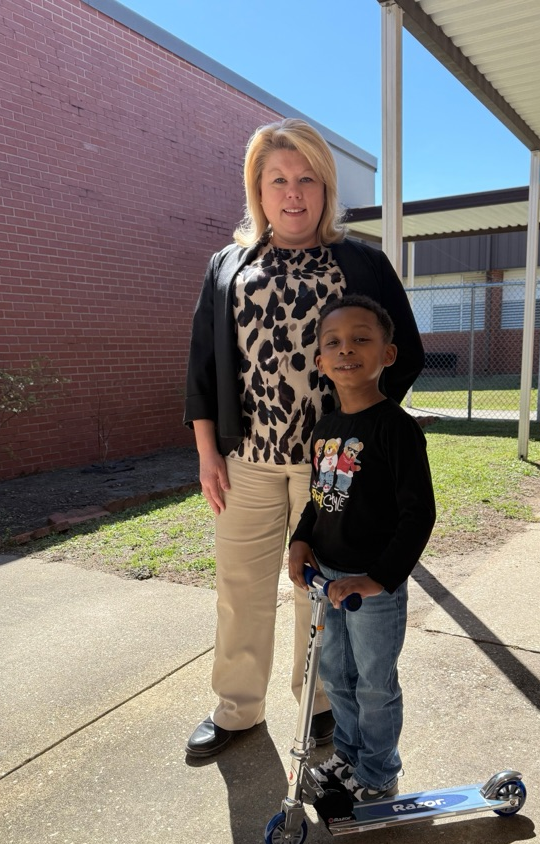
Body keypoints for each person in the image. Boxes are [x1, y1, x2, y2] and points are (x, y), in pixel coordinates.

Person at [184, 119, 425, 758]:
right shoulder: (227, 266)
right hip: (247, 462)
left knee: (314, 588)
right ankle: (237, 709)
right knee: (241, 590)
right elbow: (203, 368)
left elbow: (408, 352)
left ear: (325, 187)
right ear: (258, 190)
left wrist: (366, 429)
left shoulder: (363, 263)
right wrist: (208, 451)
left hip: (333, 468)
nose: (293, 193)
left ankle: (318, 703)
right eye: (278, 180)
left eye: (306, 179)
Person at [288, 295, 435, 800]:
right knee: (337, 674)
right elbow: (319, 496)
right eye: (333, 342)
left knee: (374, 682)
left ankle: (377, 772)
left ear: (387, 355)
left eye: (361, 338)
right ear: (320, 361)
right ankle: (348, 758)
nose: (346, 349)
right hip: (326, 579)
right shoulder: (326, 429)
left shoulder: (397, 429)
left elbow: (420, 515)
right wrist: (301, 539)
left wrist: (378, 578)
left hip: (372, 587)